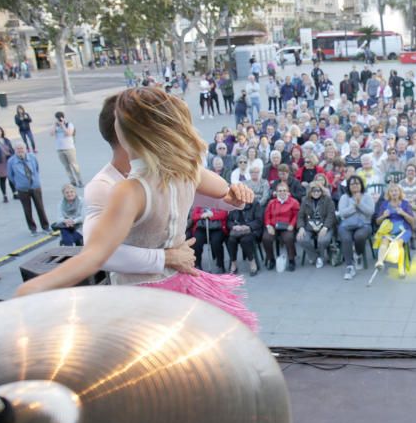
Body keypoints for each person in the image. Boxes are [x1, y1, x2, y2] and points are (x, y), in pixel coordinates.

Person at [15, 87, 256, 329]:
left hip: (143, 304)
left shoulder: (130, 190)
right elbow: (223, 188)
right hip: (181, 288)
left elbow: (95, 255)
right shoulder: (187, 171)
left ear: (125, 134)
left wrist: (35, 286)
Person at [79, 93, 241, 285]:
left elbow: (208, 194)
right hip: (139, 296)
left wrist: (230, 202)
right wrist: (167, 258)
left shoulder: (163, 172)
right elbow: (97, 253)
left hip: (178, 282)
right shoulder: (104, 186)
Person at [6, 141, 50, 235]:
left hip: (35, 186)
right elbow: (10, 176)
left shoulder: (32, 157)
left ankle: (45, 226)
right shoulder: (11, 161)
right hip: (22, 189)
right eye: (18, 149)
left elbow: (36, 169)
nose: (20, 150)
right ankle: (32, 229)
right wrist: (19, 183)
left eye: (22, 148)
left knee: (40, 207)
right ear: (15, 150)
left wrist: (35, 180)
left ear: (25, 149)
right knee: (27, 209)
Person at [338, 175, 375, 280]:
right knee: (346, 238)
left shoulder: (367, 196)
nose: (354, 185)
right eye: (352, 184)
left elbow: (370, 212)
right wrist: (354, 205)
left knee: (359, 236)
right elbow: (343, 213)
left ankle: (358, 254)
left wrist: (360, 203)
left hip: (364, 224)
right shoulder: (344, 197)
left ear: (361, 185)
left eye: (357, 183)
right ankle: (349, 266)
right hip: (347, 224)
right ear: (348, 186)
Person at [296, 180, 336, 268]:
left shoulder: (328, 200)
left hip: (324, 224)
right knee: (301, 239)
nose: (316, 193)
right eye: (313, 190)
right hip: (310, 225)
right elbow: (300, 216)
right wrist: (301, 227)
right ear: (310, 191)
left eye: (318, 190)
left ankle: (321, 257)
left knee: (322, 240)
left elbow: (331, 215)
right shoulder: (305, 200)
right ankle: (315, 257)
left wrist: (325, 227)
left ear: (321, 191)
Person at [262, 181, 300, 271]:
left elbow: (297, 215)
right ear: (276, 192)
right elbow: (267, 215)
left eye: (284, 190)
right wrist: (268, 226)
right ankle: (271, 259)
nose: (282, 192)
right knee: (266, 238)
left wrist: (292, 224)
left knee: (289, 238)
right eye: (280, 191)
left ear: (287, 192)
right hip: (273, 225)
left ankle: (291, 260)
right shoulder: (272, 202)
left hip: (287, 226)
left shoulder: (293, 202)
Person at [226, 196, 264, 276]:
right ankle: (233, 263)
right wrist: (233, 226)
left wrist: (248, 226)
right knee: (230, 240)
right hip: (237, 230)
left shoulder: (255, 204)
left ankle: (252, 262)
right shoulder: (234, 204)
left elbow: (259, 220)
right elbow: (229, 221)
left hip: (252, 230)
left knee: (245, 240)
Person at [51, 111, 84, 187]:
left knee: (74, 165)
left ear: (63, 117)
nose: (59, 120)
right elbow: (51, 133)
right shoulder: (55, 126)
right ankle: (72, 181)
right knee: (66, 166)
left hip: (69, 148)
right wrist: (54, 125)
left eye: (60, 118)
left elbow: (69, 133)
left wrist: (62, 125)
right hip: (59, 149)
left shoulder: (69, 124)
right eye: (57, 118)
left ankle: (79, 180)